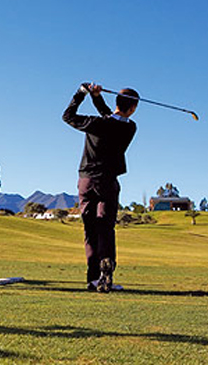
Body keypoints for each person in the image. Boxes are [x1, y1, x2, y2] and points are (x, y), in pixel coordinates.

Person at [62, 83, 138, 293]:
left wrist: (82, 94)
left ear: (116, 102)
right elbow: (112, 118)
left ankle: (93, 278)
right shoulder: (130, 128)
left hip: (86, 181)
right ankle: (107, 272)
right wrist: (96, 99)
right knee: (106, 227)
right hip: (108, 182)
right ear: (132, 109)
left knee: (90, 230)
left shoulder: (96, 123)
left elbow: (67, 116)